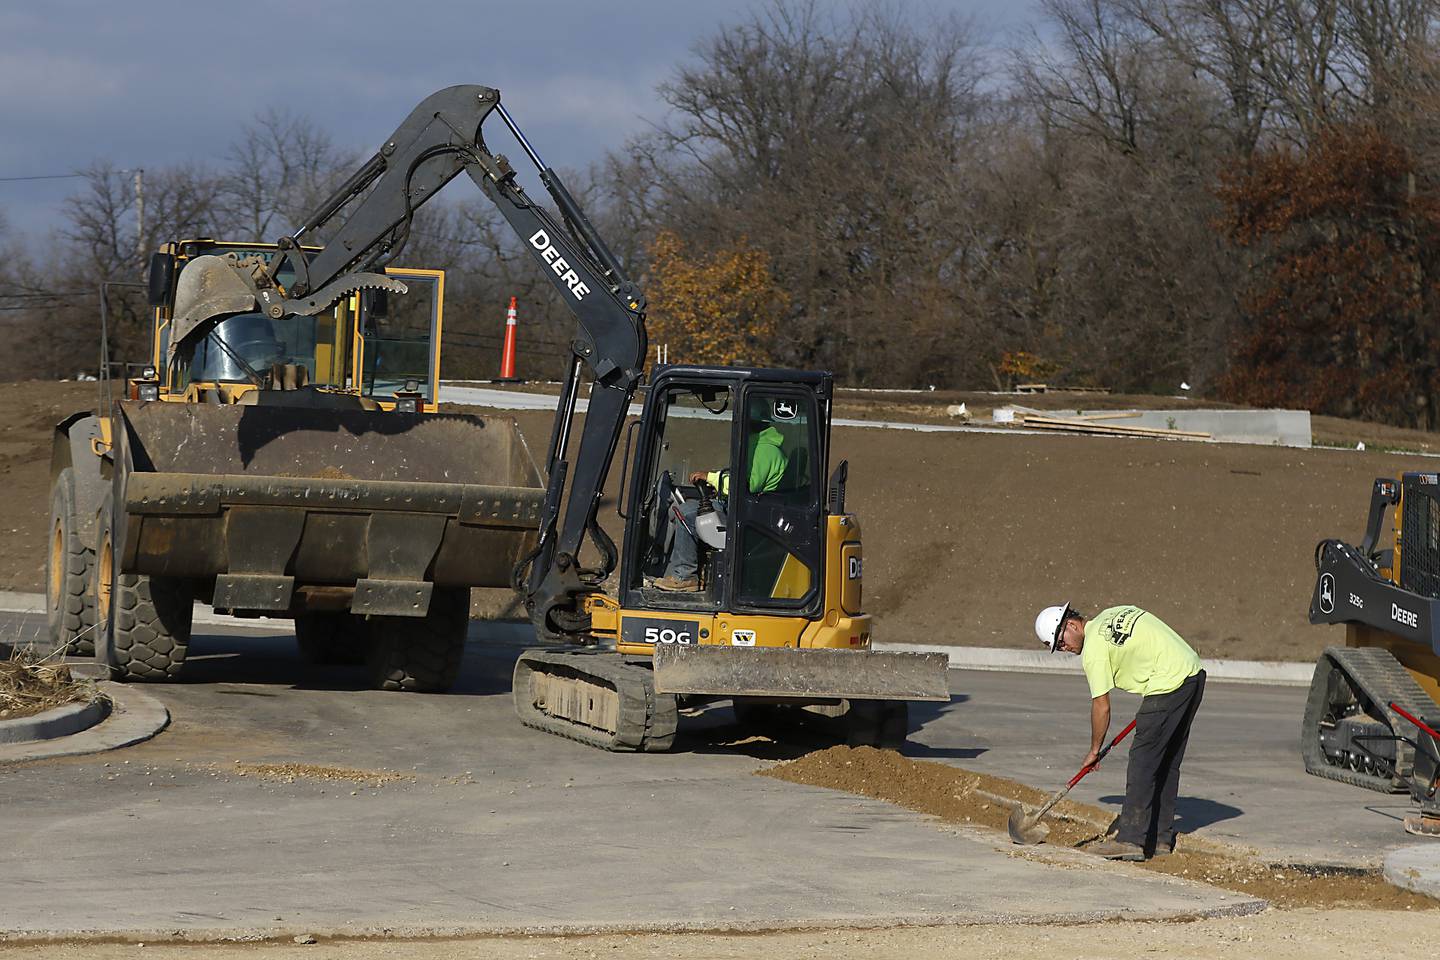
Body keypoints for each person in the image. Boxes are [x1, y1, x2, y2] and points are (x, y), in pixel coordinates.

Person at [1033, 602, 1206, 861]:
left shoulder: (1093, 651)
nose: (1063, 649)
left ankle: (1131, 840)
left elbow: (1101, 707)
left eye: (1060, 642)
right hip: (1192, 672)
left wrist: (1094, 751)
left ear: (1070, 625)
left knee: (1142, 762)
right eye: (1057, 648)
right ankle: (1159, 839)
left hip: (1168, 682)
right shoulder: (1112, 614)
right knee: (1167, 762)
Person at [653, 409, 789, 592]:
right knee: (690, 507)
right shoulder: (759, 445)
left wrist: (711, 477)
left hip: (746, 512)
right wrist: (715, 481)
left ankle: (685, 575)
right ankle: (693, 572)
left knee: (685, 513)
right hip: (746, 507)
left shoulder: (765, 450)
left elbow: (745, 486)